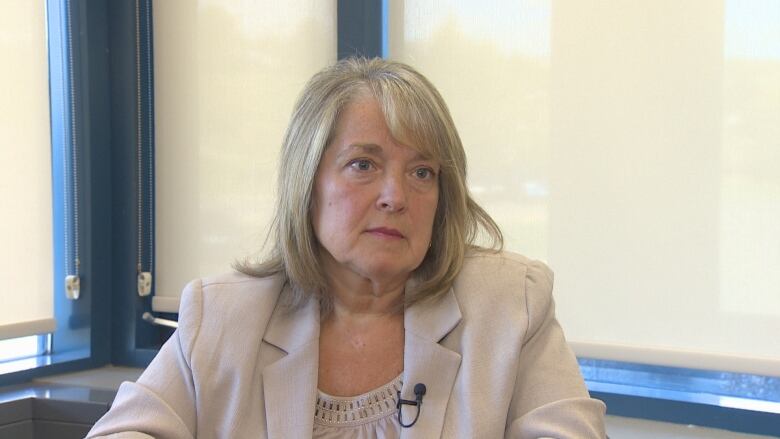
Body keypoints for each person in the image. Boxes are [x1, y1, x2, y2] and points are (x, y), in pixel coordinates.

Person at [87, 58, 606, 438]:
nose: (396, 197)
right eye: (364, 164)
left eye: (421, 172)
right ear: (307, 183)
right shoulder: (224, 314)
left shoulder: (510, 304)